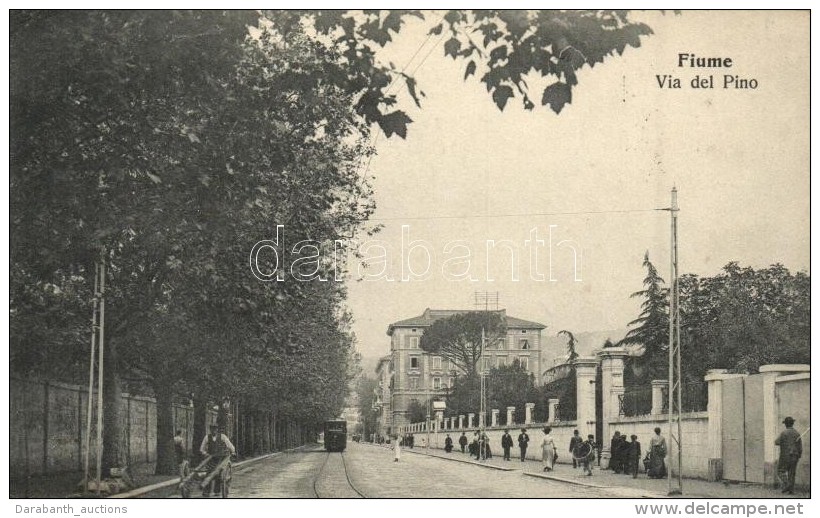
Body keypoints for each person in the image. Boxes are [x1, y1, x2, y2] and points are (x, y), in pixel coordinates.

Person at [198, 425, 236, 497]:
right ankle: (206, 491)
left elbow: (230, 445)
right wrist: (205, 454)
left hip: (221, 458)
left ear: (217, 430)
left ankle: (217, 491)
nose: (213, 431)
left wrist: (233, 451)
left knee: (219, 473)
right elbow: (201, 449)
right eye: (212, 429)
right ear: (210, 430)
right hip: (211, 458)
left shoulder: (222, 436)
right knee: (209, 473)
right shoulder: (207, 437)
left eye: (215, 429)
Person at [775, 417, 802, 494]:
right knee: (792, 473)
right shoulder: (797, 433)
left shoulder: (784, 433)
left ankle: (787, 485)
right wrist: (799, 455)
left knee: (780, 471)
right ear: (792, 423)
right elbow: (800, 446)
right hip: (795, 455)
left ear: (786, 424)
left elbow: (776, 442)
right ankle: (791, 491)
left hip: (785, 455)